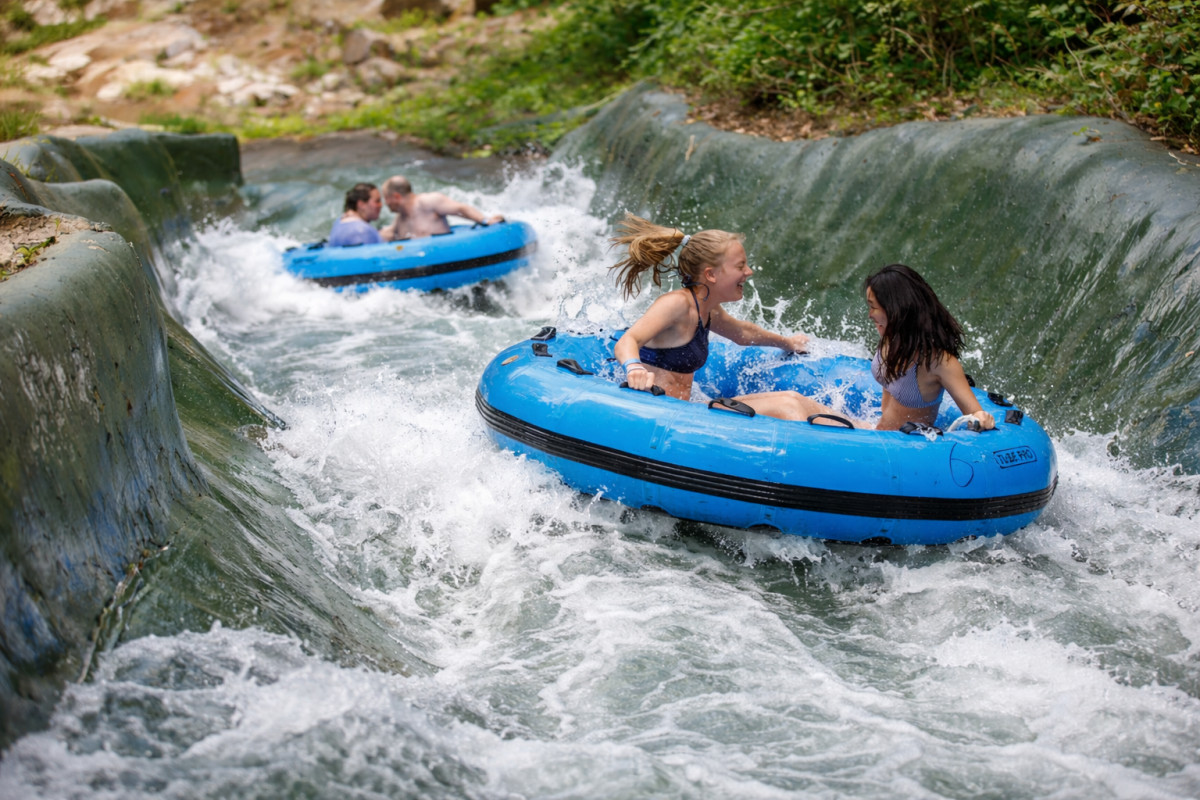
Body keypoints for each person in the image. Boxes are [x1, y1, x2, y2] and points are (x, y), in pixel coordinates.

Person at [610, 214, 834, 421]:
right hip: (657, 415)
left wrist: (789, 343)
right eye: (740, 266)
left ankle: (865, 432)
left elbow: (743, 333)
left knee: (793, 398)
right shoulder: (677, 304)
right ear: (711, 274)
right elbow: (627, 341)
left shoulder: (708, 309)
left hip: (683, 412)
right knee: (788, 409)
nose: (749, 272)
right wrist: (634, 368)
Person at [864, 263, 995, 431]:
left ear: (895, 309)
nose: (870, 315)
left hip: (905, 449)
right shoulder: (891, 339)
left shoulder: (940, 363)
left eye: (873, 307)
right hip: (876, 434)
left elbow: (975, 412)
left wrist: (981, 418)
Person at [379, 175, 505, 241]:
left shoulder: (427, 201)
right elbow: (388, 234)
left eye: (386, 198)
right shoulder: (401, 218)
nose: (385, 203)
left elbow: (461, 209)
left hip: (443, 257)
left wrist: (484, 220)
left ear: (396, 196)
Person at [328, 182, 383, 247]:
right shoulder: (363, 232)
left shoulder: (339, 221)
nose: (381, 205)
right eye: (377, 201)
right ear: (361, 204)